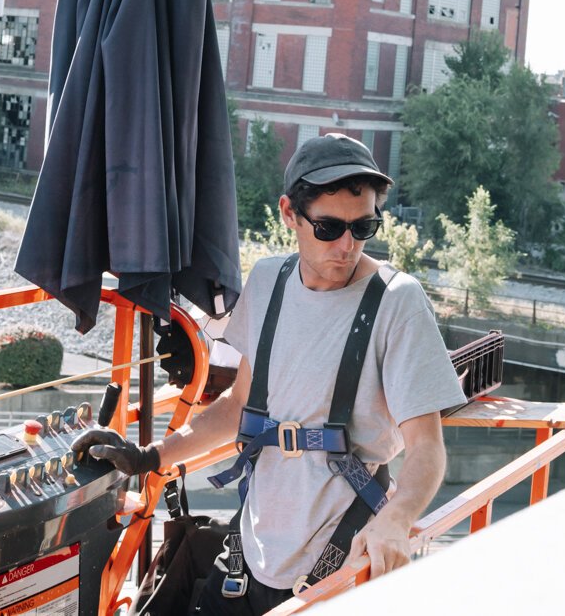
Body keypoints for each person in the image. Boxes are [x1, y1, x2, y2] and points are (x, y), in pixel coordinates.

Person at [73, 133, 465, 614]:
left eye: (364, 227)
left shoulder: (396, 301)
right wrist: (151, 455)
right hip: (251, 550)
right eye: (328, 228)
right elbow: (239, 407)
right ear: (288, 214)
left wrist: (398, 519)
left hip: (338, 560)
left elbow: (427, 447)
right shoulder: (268, 281)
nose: (347, 246)